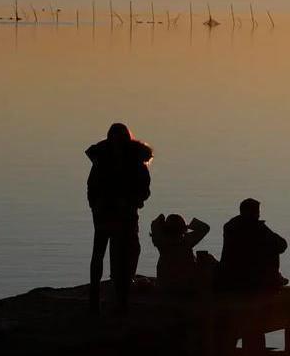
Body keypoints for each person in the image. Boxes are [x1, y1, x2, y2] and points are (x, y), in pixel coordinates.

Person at [86, 124, 153, 313]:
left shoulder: (101, 159)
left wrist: (96, 205)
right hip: (117, 214)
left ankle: (102, 297)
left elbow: (91, 187)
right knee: (120, 255)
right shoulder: (133, 161)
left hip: (108, 213)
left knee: (108, 254)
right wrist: (133, 202)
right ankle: (116, 299)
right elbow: (144, 190)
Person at [219, 199, 288, 293]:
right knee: (273, 248)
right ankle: (273, 280)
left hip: (230, 276)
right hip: (252, 279)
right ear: (253, 213)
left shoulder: (230, 226)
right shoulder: (257, 228)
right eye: (257, 212)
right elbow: (281, 245)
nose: (258, 215)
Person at [150, 214, 215, 296]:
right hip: (186, 286)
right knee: (208, 258)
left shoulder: (161, 241)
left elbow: (154, 224)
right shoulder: (187, 240)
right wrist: (188, 226)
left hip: (164, 286)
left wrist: (162, 219)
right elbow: (205, 227)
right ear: (182, 228)